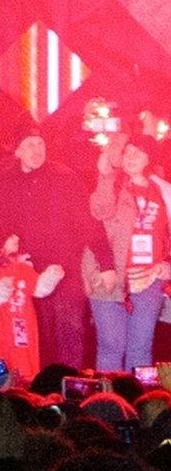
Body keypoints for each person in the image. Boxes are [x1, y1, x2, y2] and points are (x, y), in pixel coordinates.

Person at [0, 127, 115, 368]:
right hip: (25, 272)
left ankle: (68, 391)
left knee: (70, 332)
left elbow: (87, 222)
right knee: (34, 337)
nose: (36, 150)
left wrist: (106, 264)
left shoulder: (64, 177)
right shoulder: (5, 183)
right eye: (30, 145)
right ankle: (36, 392)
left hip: (65, 270)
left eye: (40, 144)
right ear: (18, 151)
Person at [85, 134, 171, 371]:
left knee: (141, 347)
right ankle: (107, 404)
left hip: (149, 279)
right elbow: (98, 212)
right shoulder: (112, 183)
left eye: (138, 152)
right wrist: (104, 176)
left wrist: (167, 263)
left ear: (149, 159)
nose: (131, 156)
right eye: (127, 151)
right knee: (112, 346)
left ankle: (139, 405)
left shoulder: (162, 191)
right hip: (110, 277)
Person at [0, 234, 65, 381]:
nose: (16, 239)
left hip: (22, 336)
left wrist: (50, 276)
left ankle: (25, 400)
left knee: (26, 377)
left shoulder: (21, 268)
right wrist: (0, 289)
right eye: (11, 236)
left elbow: (39, 288)